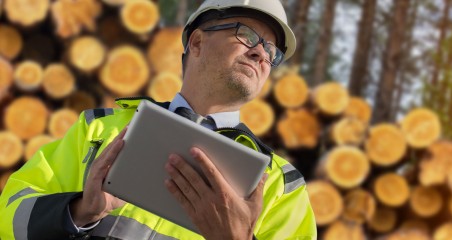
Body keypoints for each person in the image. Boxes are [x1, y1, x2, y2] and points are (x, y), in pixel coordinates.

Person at [0, 0, 317, 239]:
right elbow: (11, 214)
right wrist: (79, 212)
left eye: (270, 49)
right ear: (197, 42)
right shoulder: (98, 130)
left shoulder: (281, 185)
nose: (261, 54)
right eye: (247, 35)